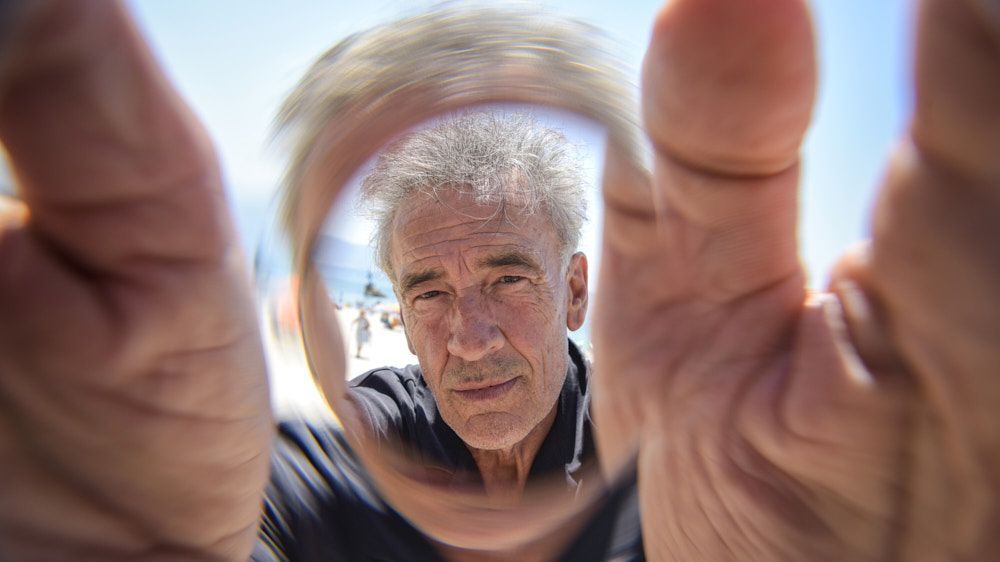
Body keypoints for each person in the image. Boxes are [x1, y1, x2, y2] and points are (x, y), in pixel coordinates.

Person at [1, 0, 999, 561]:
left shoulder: (689, 464)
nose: (466, 335)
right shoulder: (358, 450)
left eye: (507, 276)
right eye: (427, 290)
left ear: (574, 292)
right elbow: (226, 510)